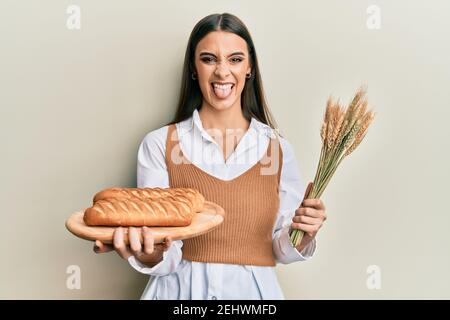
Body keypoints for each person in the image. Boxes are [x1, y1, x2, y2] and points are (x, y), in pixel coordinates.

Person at [93, 12, 327, 300]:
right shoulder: (159, 145)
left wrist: (303, 237)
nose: (222, 72)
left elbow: (280, 248)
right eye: (208, 59)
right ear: (194, 68)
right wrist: (150, 253)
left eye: (235, 59)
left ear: (250, 67)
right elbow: (165, 256)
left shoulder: (276, 148)